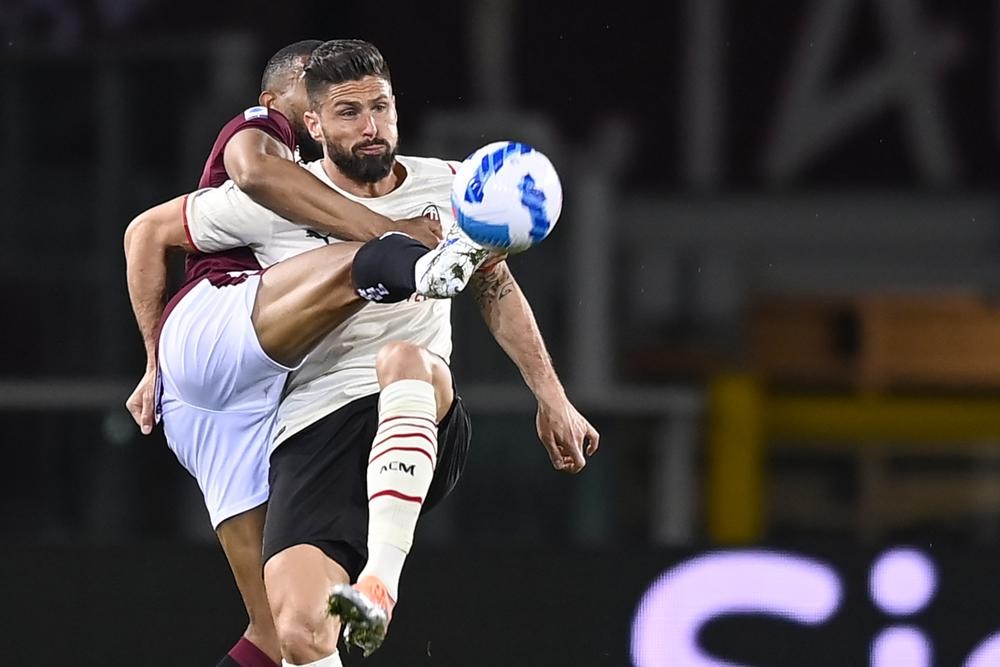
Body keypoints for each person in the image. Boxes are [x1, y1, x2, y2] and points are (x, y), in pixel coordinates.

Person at [182, 39, 599, 666]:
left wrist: (553, 397)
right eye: (349, 113)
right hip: (313, 424)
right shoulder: (276, 199)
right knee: (298, 632)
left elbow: (496, 285)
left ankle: (380, 583)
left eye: (382, 107)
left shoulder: (455, 186)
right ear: (314, 124)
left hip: (418, 406)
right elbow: (147, 233)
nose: (372, 127)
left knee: (403, 355)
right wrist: (156, 361)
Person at [123, 40, 453, 667]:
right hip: (217, 324)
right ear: (279, 103)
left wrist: (150, 371)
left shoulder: (328, 179)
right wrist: (392, 234)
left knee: (282, 633)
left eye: (369, 104)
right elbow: (225, 185)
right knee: (363, 264)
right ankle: (415, 267)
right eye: (319, 88)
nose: (339, 105)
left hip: (233, 409)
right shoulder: (261, 135)